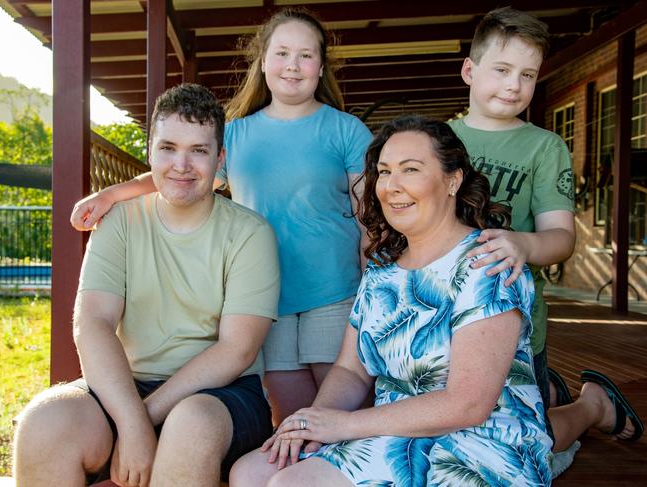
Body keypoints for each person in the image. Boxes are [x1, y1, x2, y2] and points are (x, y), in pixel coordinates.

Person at [69, 8, 373, 424]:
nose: (293, 65)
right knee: (291, 419)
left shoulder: (347, 130)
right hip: (267, 301)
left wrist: (373, 285)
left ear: (321, 67)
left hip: (336, 290)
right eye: (282, 53)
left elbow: (367, 216)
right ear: (263, 61)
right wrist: (111, 194)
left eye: (306, 55)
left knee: (344, 413)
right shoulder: (235, 134)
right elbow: (182, 173)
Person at [229, 116, 554, 487]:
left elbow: (468, 404)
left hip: (483, 443)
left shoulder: (486, 261)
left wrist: (346, 425)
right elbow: (352, 371)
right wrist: (314, 423)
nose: (391, 186)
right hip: (394, 431)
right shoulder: (382, 269)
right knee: (251, 472)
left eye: (410, 170)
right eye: (384, 172)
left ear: (453, 179)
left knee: (293, 484)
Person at [13, 84, 280, 487]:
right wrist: (129, 417)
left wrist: (141, 421)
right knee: (45, 421)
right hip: (127, 385)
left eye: (199, 151)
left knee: (189, 425)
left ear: (219, 158)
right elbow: (94, 323)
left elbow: (235, 350)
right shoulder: (119, 221)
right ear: (150, 150)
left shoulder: (250, 233)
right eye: (168, 147)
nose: (182, 165)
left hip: (221, 396)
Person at [448, 6, 642, 454]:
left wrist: (523, 241)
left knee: (518, 445)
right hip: (442, 316)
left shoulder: (544, 146)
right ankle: (551, 394)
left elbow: (562, 238)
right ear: (469, 70)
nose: (514, 84)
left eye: (528, 74)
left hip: (516, 325)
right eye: (501, 70)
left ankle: (592, 406)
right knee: (456, 433)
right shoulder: (437, 138)